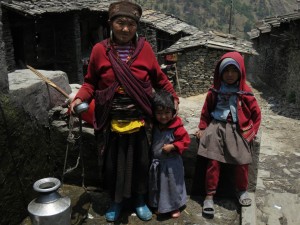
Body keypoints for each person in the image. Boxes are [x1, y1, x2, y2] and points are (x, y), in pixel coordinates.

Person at [69, 1, 179, 222]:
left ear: (136, 26)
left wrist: (173, 98)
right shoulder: (100, 50)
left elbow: (160, 79)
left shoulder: (145, 49)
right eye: (120, 23)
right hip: (110, 120)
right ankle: (116, 201)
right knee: (112, 165)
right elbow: (90, 83)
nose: (126, 29)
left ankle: (139, 200)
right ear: (111, 23)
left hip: (141, 120)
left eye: (131, 24)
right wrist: (79, 98)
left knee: (140, 163)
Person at [195, 51, 261, 215]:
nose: (230, 75)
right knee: (213, 163)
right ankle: (209, 195)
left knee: (242, 162)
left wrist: (251, 132)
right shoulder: (215, 91)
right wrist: (203, 128)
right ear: (220, 73)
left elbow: (256, 114)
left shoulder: (245, 92)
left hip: (238, 130)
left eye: (234, 70)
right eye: (226, 71)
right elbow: (206, 110)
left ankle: (241, 190)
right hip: (216, 128)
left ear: (240, 72)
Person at [149, 90, 190, 218]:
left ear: (173, 112)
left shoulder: (177, 127)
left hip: (172, 164)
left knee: (172, 186)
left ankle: (174, 206)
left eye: (167, 113)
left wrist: (173, 146)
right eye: (159, 113)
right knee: (157, 185)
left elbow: (185, 141)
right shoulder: (153, 126)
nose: (163, 117)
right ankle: (157, 205)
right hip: (157, 163)